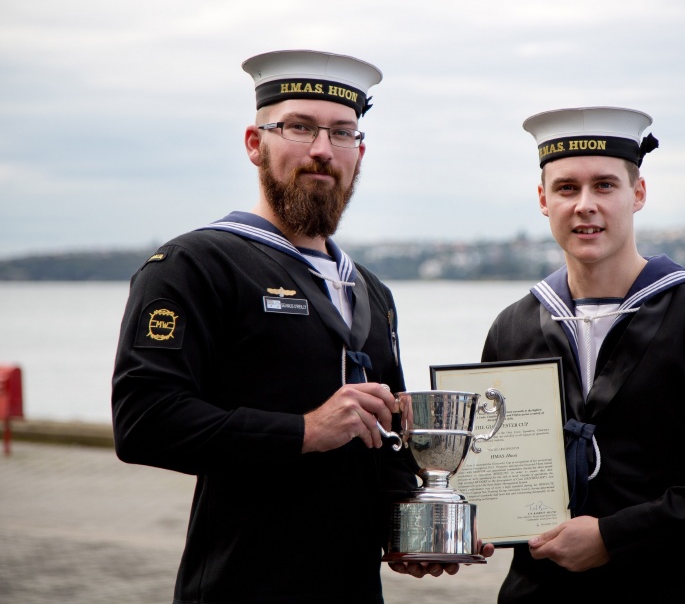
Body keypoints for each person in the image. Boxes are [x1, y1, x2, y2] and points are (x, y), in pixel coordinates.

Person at [111, 49, 477, 604]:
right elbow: (144, 421)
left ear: (360, 151)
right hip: (241, 586)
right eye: (299, 128)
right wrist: (305, 431)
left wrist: (415, 526)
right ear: (255, 143)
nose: (322, 151)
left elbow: (383, 434)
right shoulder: (197, 264)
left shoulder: (371, 291)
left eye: (342, 133)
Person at [480, 106, 685, 603]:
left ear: (637, 193)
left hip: (670, 589)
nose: (584, 205)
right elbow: (496, 464)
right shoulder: (514, 326)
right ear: (542, 200)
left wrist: (613, 537)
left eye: (604, 186)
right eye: (566, 188)